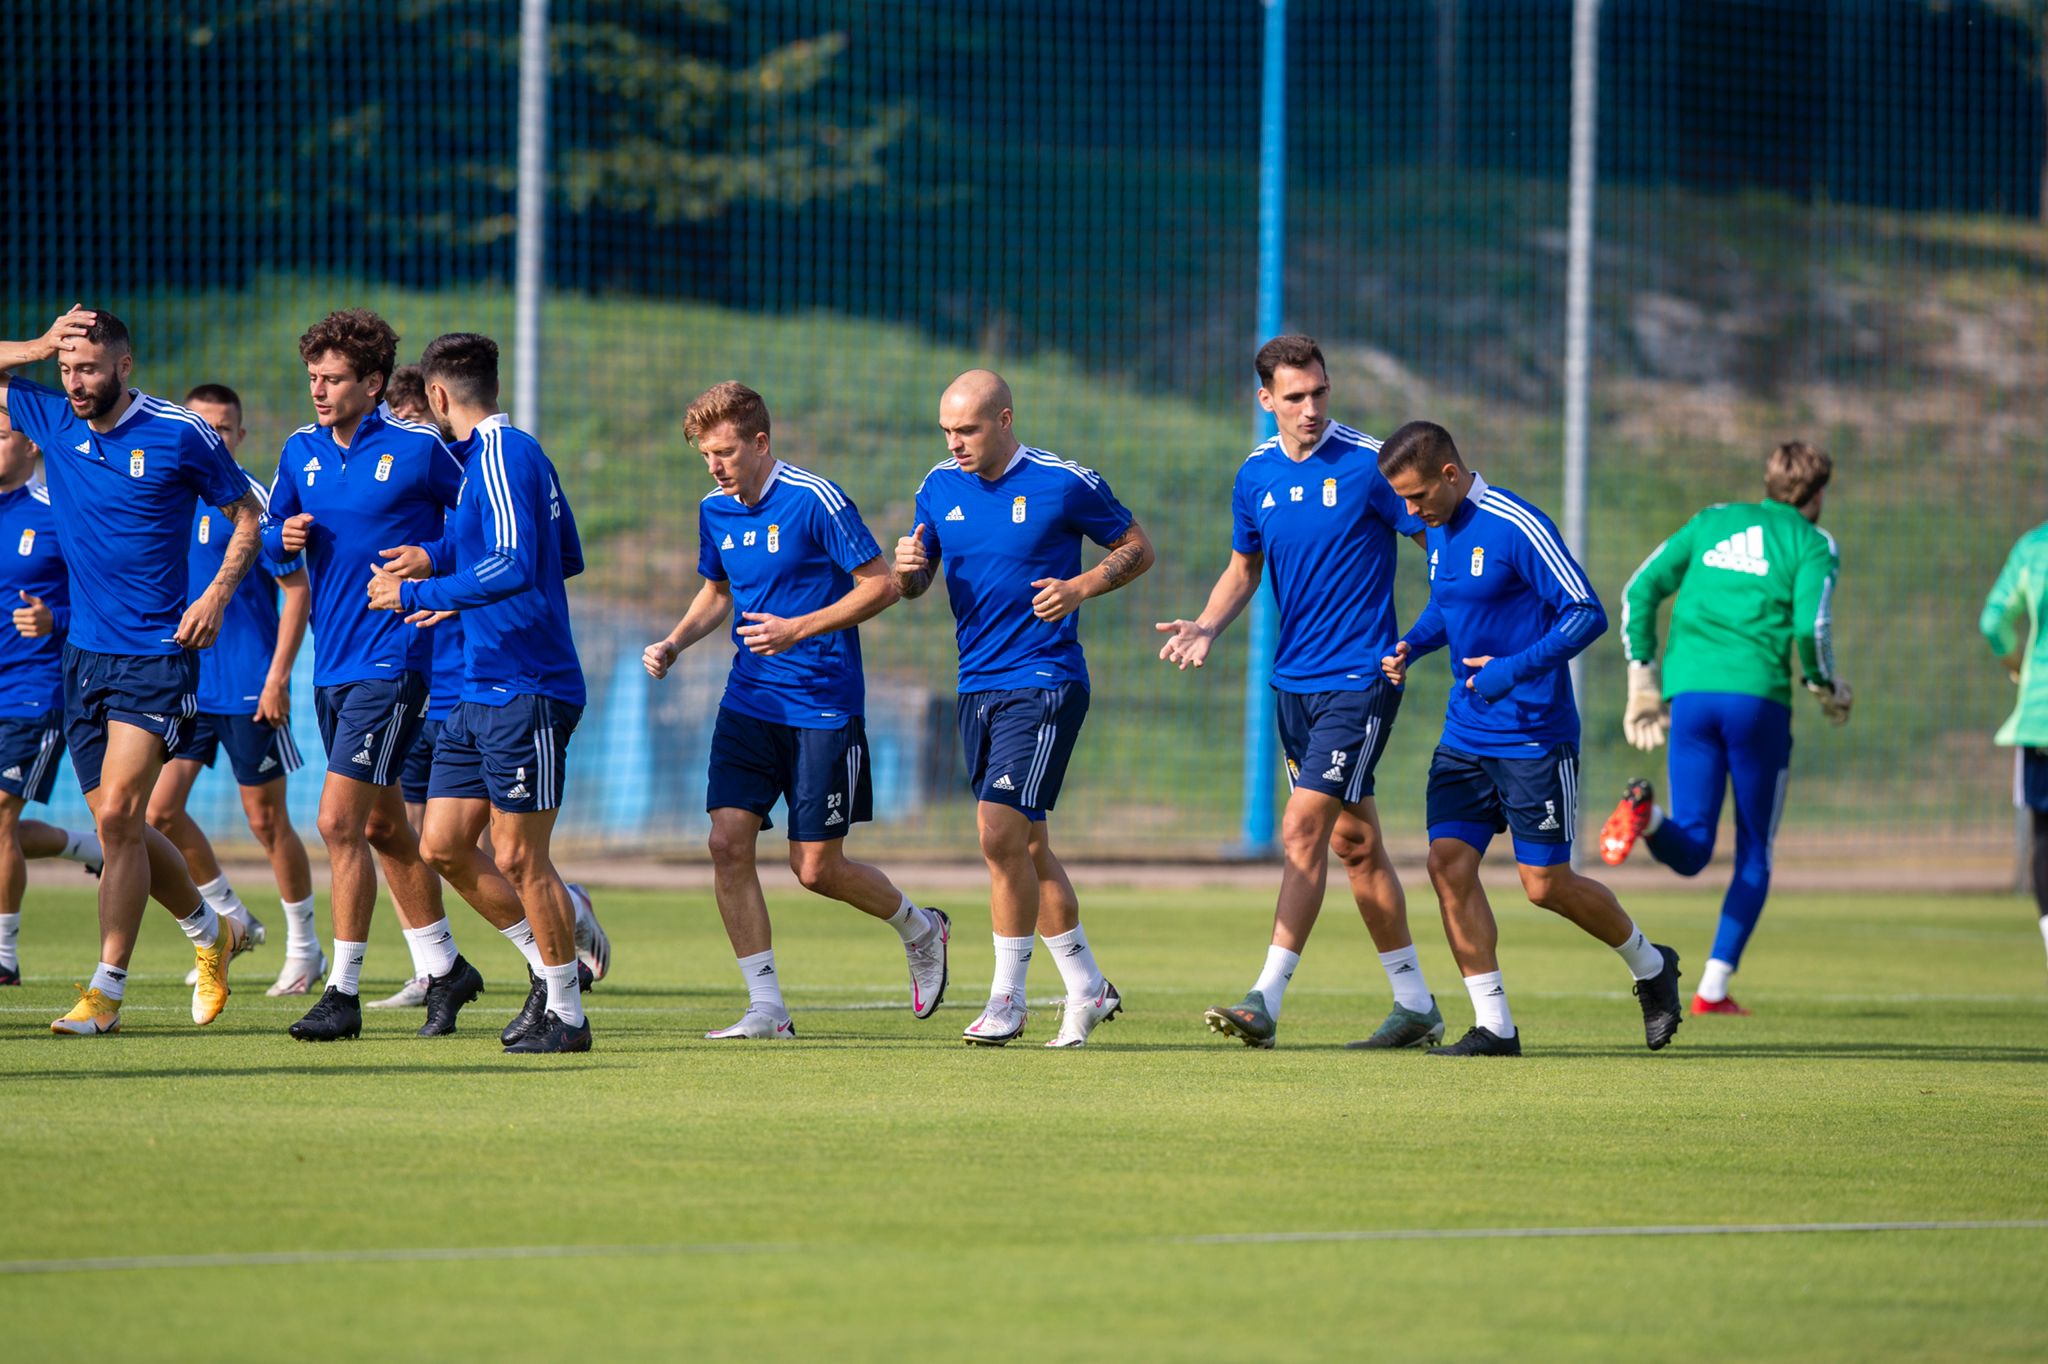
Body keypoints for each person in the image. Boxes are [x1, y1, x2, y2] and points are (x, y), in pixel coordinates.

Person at [1157, 335, 1441, 1050]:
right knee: (1355, 845)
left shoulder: (1372, 465)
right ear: (1266, 401)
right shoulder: (1254, 475)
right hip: (1295, 685)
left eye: (1319, 392)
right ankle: (1416, 1005)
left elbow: (1436, 539)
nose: (1311, 408)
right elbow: (1243, 567)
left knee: (1300, 829)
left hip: (1362, 678)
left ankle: (1265, 998)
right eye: (1295, 397)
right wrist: (1208, 624)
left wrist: (1449, 625)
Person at [646, 381, 948, 1041]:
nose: (715, 466)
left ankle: (921, 927)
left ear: (760, 442)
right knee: (727, 844)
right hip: (749, 699)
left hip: (823, 702)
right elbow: (716, 592)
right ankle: (767, 1008)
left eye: (725, 451)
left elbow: (884, 586)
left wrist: (799, 629)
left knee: (815, 869)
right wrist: (674, 641)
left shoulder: (817, 500)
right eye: (705, 455)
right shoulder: (715, 509)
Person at [1376, 420, 1682, 1056]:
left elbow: (1586, 612)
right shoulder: (1438, 526)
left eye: (1417, 497)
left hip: (1533, 738)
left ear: (1451, 476)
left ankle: (1652, 966)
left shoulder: (1517, 524)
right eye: (1402, 500)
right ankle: (1495, 1026)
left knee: (1545, 887)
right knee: (1446, 864)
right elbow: (1451, 602)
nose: (1411, 511)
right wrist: (1414, 642)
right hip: (1465, 735)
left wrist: (1511, 670)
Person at [0, 307, 264, 1035]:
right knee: (118, 826)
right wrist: (40, 344)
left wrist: (214, 594)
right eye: (65, 370)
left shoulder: (180, 432)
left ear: (125, 365)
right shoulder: (52, 420)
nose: (75, 382)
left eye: (88, 368)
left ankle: (106, 992)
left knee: (120, 814)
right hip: (82, 658)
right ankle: (214, 933)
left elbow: (249, 513)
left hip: (157, 655)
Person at [894, 369, 1153, 1047]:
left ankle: (1007, 998)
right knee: (1029, 846)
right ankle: (1089, 987)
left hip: (1044, 678)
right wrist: (907, 569)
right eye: (947, 431)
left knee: (996, 832)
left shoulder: (1064, 482)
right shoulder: (937, 486)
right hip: (976, 683)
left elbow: (1136, 547)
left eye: (969, 430)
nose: (956, 444)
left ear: (1005, 421)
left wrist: (1081, 587)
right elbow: (918, 582)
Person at [374, 331, 596, 1053]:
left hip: (525, 686)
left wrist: (423, 589)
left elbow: (511, 562)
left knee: (522, 858)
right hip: (479, 684)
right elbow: (557, 553)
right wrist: (438, 558)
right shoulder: (490, 461)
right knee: (440, 845)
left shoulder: (501, 455)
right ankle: (547, 967)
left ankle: (567, 1011)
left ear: (437, 396)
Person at [265, 309, 482, 1040]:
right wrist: (282, 538)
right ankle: (447, 968)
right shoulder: (299, 452)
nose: (319, 392)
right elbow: (270, 540)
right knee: (389, 827)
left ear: (374, 383)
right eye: (313, 379)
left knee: (336, 822)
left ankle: (343, 993)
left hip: (396, 660)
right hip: (335, 665)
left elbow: (480, 524)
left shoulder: (420, 448)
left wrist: (433, 560)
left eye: (333, 380)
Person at [1599, 442, 1850, 1015]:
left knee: (1690, 848)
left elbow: (1640, 588)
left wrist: (1643, 673)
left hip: (1689, 697)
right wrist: (1826, 684)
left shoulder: (1712, 520)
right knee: (1754, 850)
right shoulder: (1813, 542)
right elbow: (1813, 628)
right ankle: (1712, 988)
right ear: (1817, 493)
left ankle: (1647, 814)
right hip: (1757, 699)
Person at [148, 384, 324, 998]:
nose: (213, 438)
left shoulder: (253, 501)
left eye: (224, 429)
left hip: (249, 686)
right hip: (183, 685)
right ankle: (235, 918)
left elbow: (297, 591)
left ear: (240, 437)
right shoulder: (163, 493)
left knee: (267, 819)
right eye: (202, 427)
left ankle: (305, 950)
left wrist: (278, 679)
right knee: (157, 813)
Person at [0, 404, 105, 985]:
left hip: (33, 690)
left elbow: (96, 596)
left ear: (30, 446)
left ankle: (4, 956)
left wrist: (55, 619)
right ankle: (85, 846)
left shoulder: (57, 512)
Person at [1981, 518, 2048, 971]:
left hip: (2043, 712)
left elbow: (1993, 622)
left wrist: (2017, 664)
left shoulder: (2035, 546)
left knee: (2046, 836)